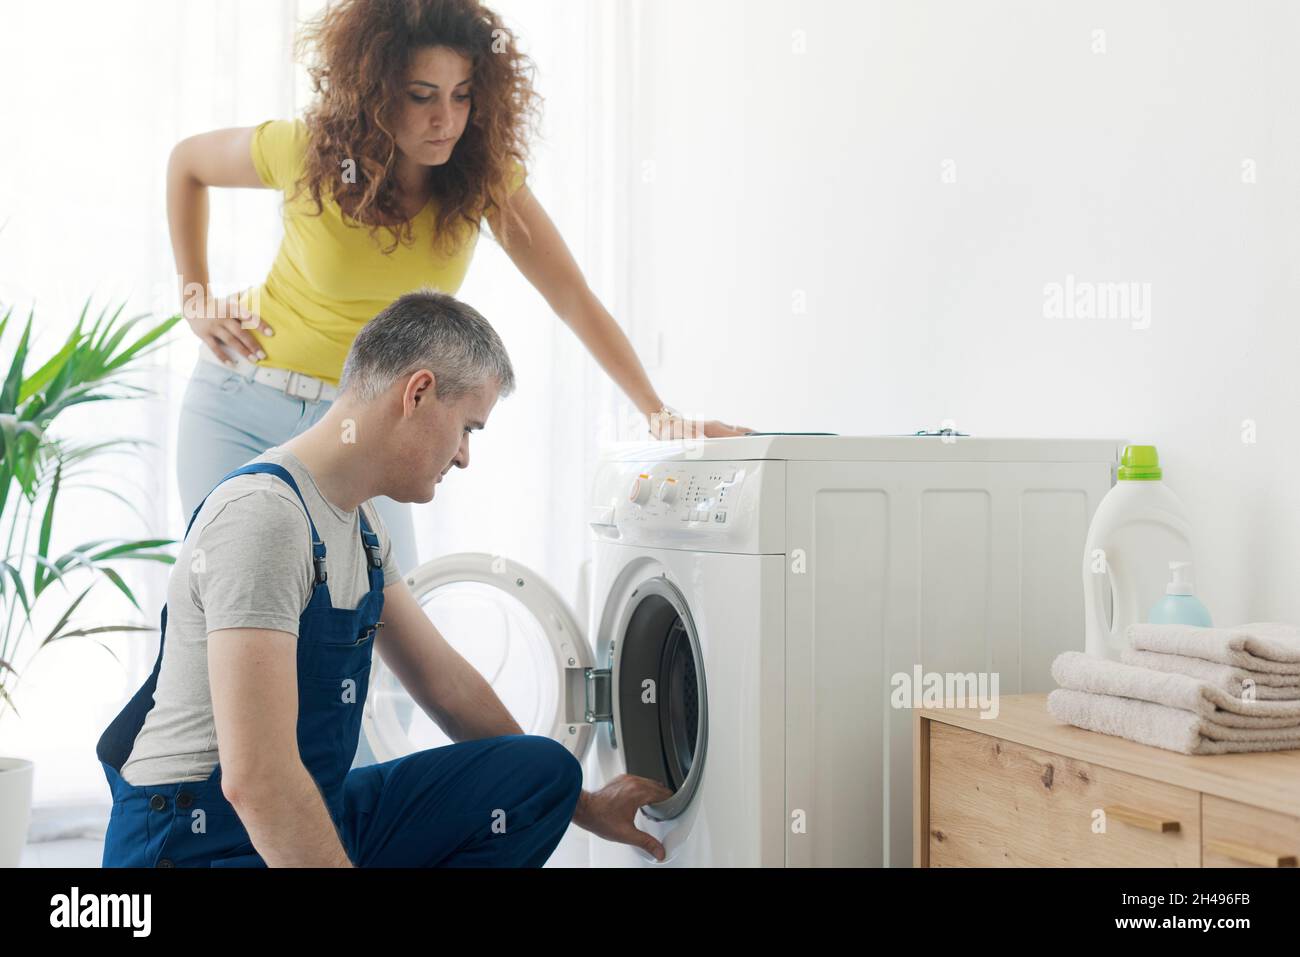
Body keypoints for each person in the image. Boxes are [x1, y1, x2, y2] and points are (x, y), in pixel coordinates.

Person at [169, 0, 753, 578]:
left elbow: (570, 295)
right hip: (238, 404)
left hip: (364, 428)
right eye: (421, 96)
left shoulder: (482, 184)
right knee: (228, 611)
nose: (444, 119)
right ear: (375, 91)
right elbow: (187, 163)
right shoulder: (306, 153)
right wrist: (195, 298)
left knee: (381, 622)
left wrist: (658, 412)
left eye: (462, 95)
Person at [97, 290, 673, 867]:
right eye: (468, 428)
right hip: (197, 840)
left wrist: (586, 805)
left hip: (310, 806)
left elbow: (444, 683)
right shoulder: (265, 516)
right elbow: (256, 780)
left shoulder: (360, 523)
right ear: (417, 392)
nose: (466, 456)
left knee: (540, 773)